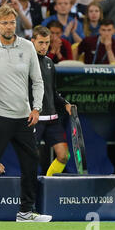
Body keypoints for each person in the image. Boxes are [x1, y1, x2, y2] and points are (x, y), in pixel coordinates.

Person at [0, 5, 52, 223]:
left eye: (12, 22)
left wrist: (37, 108)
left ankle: (26, 211)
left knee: (30, 163)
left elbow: (37, 80)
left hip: (24, 116)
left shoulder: (27, 47)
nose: (9, 26)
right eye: (4, 22)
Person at [30, 25, 72, 176]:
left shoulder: (49, 63)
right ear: (32, 41)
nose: (44, 46)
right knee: (31, 160)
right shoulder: (26, 64)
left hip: (53, 120)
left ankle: (47, 184)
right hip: (34, 119)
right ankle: (31, 192)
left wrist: (66, 104)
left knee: (63, 156)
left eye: (47, 43)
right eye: (40, 42)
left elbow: (52, 92)